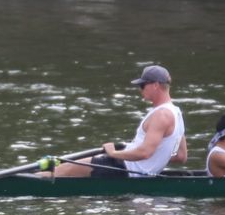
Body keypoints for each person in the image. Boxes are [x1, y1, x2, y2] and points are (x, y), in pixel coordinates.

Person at [57, 63, 187, 178]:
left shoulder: (162, 115)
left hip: (125, 169)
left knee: (64, 169)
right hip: (136, 171)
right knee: (71, 170)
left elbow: (145, 152)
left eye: (142, 85)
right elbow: (181, 156)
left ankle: (38, 184)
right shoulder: (177, 114)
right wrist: (159, 156)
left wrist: (114, 153)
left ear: (156, 85)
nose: (140, 89)